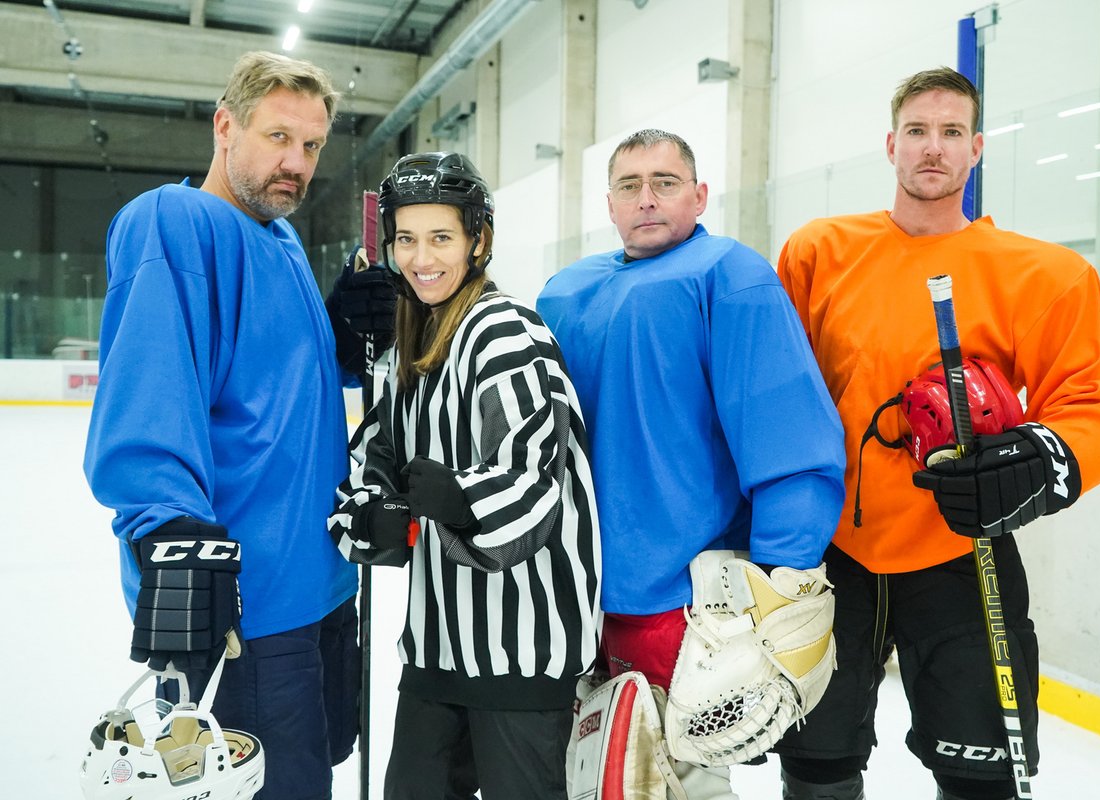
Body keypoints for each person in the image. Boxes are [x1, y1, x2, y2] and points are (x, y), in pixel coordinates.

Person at [773, 67, 1100, 800]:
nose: (931, 148)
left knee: (980, 776)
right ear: (890, 145)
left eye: (949, 133)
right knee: (817, 767)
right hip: (829, 552)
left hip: (961, 551)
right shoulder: (819, 252)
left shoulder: (1046, 275)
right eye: (916, 131)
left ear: (976, 149)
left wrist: (1038, 460)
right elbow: (771, 395)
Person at [536, 129, 847, 797]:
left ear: (700, 195)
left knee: (683, 781)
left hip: (687, 604)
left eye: (666, 183)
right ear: (611, 204)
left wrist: (779, 583)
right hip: (573, 598)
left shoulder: (729, 276)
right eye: (629, 185)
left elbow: (785, 432)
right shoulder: (564, 293)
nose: (647, 199)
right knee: (592, 779)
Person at [83, 51, 360, 800]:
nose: (295, 163)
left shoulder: (282, 240)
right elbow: (152, 386)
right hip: (244, 605)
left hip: (321, 589)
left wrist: (347, 338)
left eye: (311, 146)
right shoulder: (175, 222)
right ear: (225, 125)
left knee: (310, 774)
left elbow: (277, 382)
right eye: (277, 137)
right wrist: (167, 525)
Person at [327, 151, 602, 800]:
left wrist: (458, 498)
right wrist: (371, 516)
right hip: (434, 653)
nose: (422, 258)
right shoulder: (409, 348)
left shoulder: (505, 333)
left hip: (524, 655)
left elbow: (535, 487)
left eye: (441, 237)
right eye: (407, 239)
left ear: (479, 241)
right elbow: (375, 459)